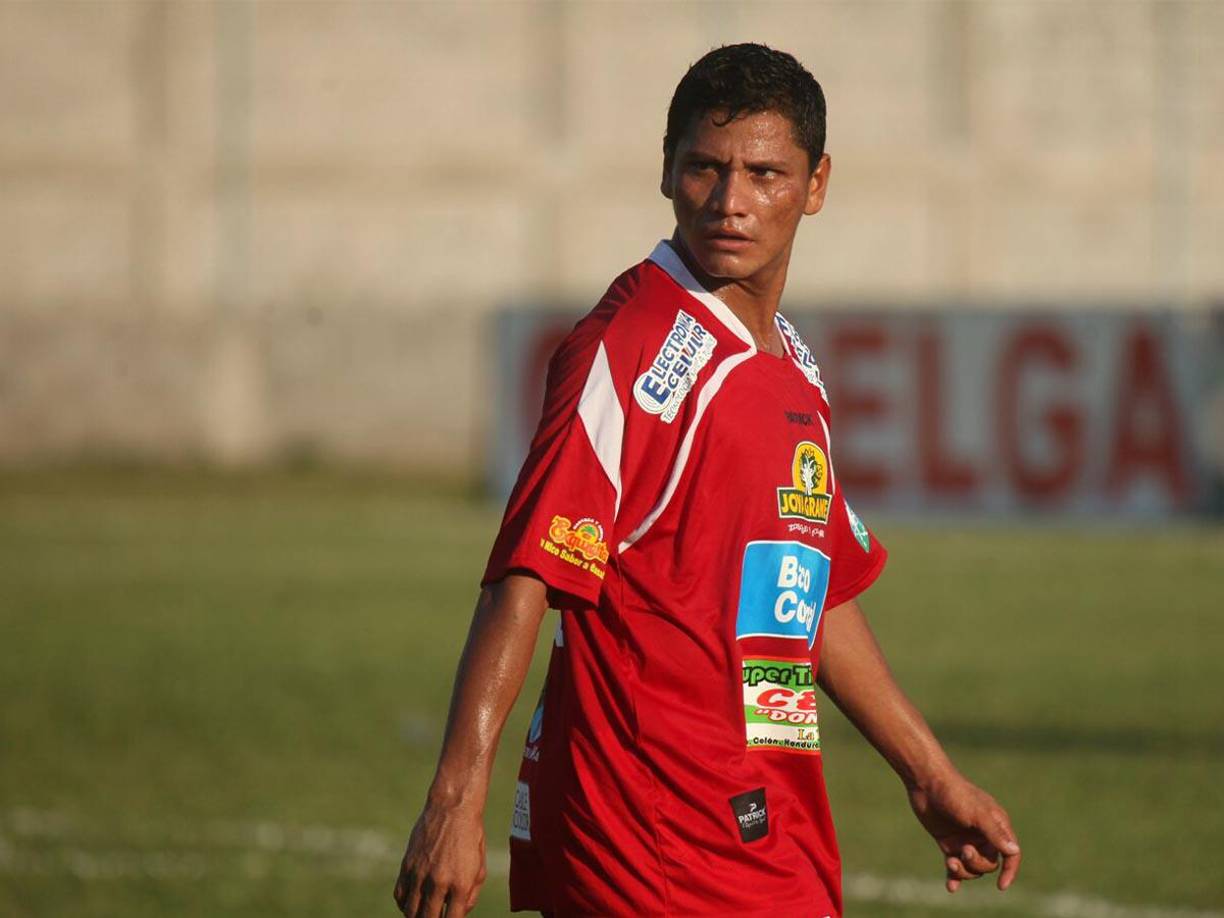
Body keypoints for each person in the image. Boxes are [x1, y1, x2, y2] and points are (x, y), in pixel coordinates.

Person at [393, 43, 1020, 917]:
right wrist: (455, 802)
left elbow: (810, 589)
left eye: (765, 174)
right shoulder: (629, 347)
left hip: (768, 818)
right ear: (666, 170)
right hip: (648, 825)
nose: (731, 201)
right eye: (705, 168)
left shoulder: (792, 364)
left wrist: (929, 774)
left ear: (816, 184)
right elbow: (526, 576)